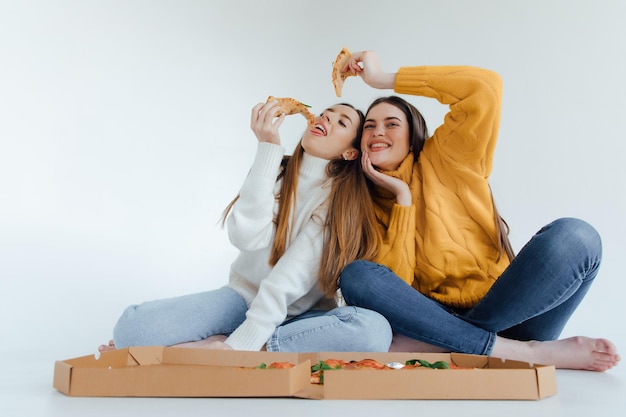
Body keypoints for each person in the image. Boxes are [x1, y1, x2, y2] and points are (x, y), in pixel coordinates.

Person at [337, 50, 620, 372]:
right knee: (357, 275)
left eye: (392, 124)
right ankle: (525, 354)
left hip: (510, 314)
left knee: (578, 235)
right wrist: (401, 198)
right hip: (434, 319)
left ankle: (451, 344)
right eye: (369, 126)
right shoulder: (360, 201)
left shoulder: (448, 155)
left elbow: (484, 87)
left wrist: (380, 79)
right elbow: (395, 288)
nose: (378, 132)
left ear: (413, 136)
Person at [99, 98, 391, 353]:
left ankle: (251, 346)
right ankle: (243, 343)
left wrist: (240, 345)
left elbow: (289, 278)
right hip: (241, 299)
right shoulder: (273, 170)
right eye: (326, 113)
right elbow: (246, 237)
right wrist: (267, 148)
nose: (326, 118)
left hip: (304, 317)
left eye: (342, 122)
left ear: (350, 153)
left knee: (373, 330)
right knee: (131, 328)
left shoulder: (338, 201)